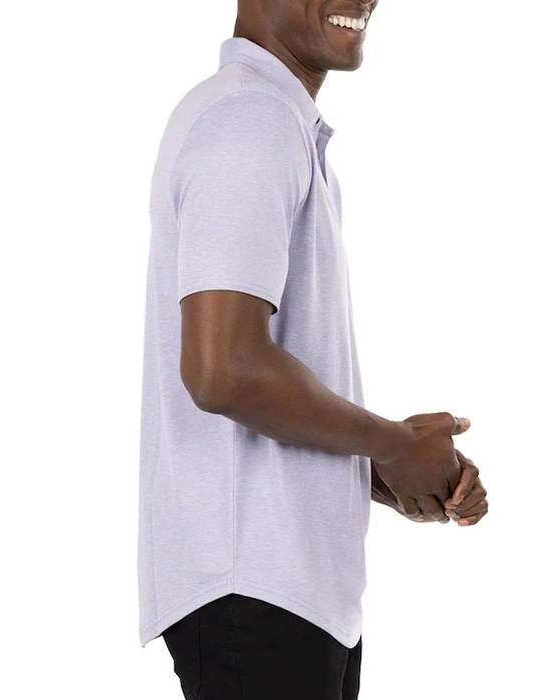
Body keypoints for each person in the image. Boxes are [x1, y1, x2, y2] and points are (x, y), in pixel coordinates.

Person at [137, 1, 488, 697]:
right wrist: (392, 442)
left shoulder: (274, 123)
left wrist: (387, 470)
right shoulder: (249, 120)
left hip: (285, 594)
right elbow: (222, 371)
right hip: (257, 592)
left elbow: (248, 380)